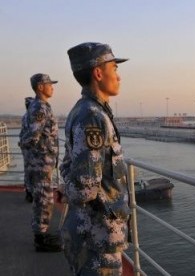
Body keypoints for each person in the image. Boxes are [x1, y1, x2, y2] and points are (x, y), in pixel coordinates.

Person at [60, 42, 130, 275]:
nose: (119, 76)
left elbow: (69, 165)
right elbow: (84, 190)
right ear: (98, 73)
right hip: (98, 238)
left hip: (94, 233)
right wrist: (69, 187)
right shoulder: (92, 117)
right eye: (115, 68)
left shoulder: (84, 110)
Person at [20, 73, 61, 252]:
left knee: (42, 199)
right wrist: (36, 157)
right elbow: (32, 136)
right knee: (44, 200)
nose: (52, 87)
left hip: (41, 161)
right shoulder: (40, 108)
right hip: (41, 162)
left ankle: (41, 233)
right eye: (49, 84)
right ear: (40, 87)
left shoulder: (39, 106)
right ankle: (41, 239)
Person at [18, 96, 35, 202]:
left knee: (27, 170)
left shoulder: (24, 117)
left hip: (26, 149)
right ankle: (32, 193)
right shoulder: (31, 117)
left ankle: (28, 193)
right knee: (34, 172)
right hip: (32, 149)